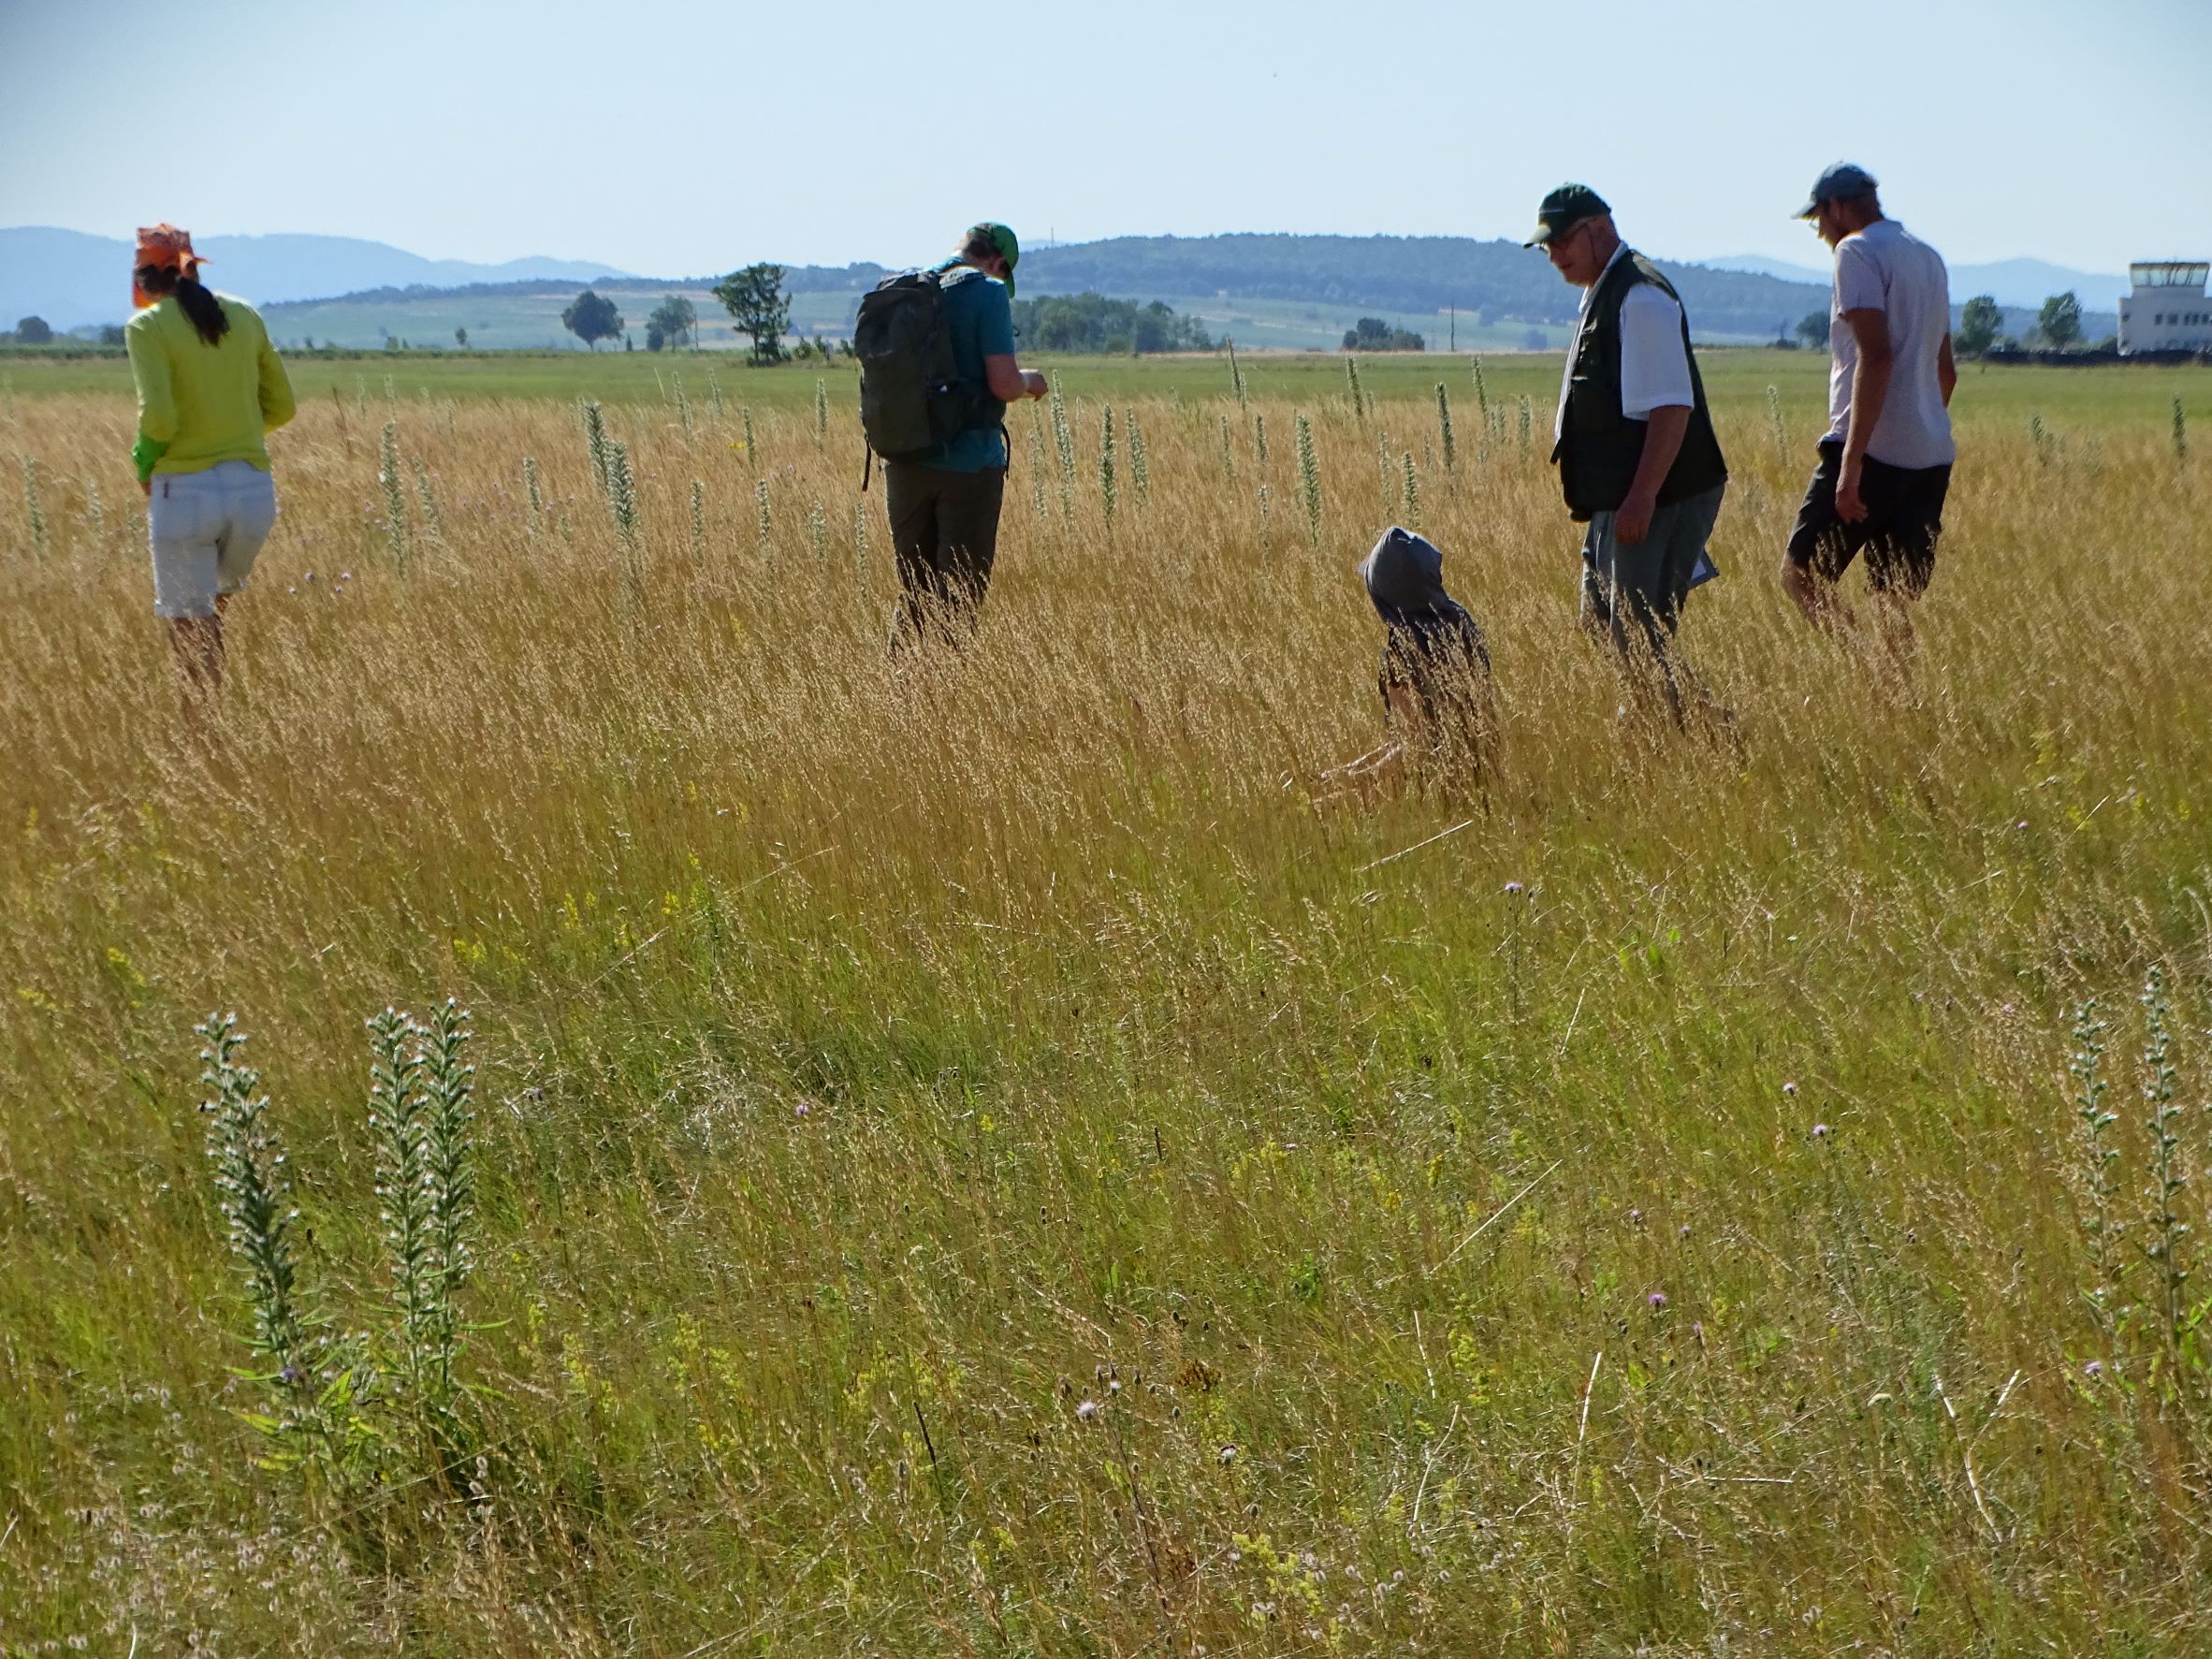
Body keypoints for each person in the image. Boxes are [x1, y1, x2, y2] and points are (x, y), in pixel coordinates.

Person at [1526, 184, 1729, 729]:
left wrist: (1641, 498)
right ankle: (1705, 724)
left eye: (1564, 240)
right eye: (1548, 246)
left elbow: (1671, 409)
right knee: (1601, 621)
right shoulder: (1607, 290)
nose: (1555, 255)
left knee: (1638, 638)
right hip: (1618, 499)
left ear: (1598, 228)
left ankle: (1680, 739)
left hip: (1659, 495)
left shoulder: (1639, 297)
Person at [1781, 164, 1957, 668]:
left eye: (1819, 219)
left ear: (1837, 208)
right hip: (1929, 455)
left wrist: (1852, 464)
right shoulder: (1928, 258)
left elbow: (1876, 358)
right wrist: (1917, 425)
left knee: (1802, 577)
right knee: (1892, 597)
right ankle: (1900, 702)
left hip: (1869, 452)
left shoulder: (1854, 252)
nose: (1820, 231)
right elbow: (1946, 373)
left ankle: (1869, 674)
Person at [124, 224, 295, 718]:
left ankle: (201, 743)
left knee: (189, 628)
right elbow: (282, 406)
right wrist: (235, 430)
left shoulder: (147, 327)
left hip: (186, 493)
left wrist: (144, 462)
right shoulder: (244, 315)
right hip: (253, 493)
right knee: (211, 615)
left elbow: (158, 416)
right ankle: (213, 730)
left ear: (146, 277)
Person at [883, 223, 1048, 648]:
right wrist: (1030, 381)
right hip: (969, 464)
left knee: (915, 595)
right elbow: (1004, 385)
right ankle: (949, 700)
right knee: (959, 598)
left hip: (904, 461)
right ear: (997, 263)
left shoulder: (906, 289)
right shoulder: (987, 293)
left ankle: (897, 693)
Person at [1320, 527, 1496, 800]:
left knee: (1322, 809)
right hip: (1486, 773)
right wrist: (1349, 771)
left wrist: (1353, 783)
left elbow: (1413, 747)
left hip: (1434, 790)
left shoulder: (1402, 652)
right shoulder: (1460, 621)